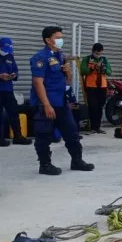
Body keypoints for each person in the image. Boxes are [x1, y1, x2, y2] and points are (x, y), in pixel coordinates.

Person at [30, 26, 94, 176]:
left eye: (61, 37)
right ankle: (45, 165)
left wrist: (69, 72)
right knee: (44, 136)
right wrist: (46, 105)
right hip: (46, 103)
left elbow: (67, 81)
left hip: (61, 102)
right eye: (57, 37)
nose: (61, 40)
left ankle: (77, 161)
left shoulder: (60, 55)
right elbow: (38, 83)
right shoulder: (40, 57)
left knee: (71, 132)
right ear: (47, 40)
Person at [0, 37, 32, 147]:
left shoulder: (10, 56)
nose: (6, 51)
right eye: (5, 49)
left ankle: (18, 136)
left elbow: (15, 69)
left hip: (8, 89)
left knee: (14, 112)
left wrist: (14, 75)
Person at [80, 42, 111, 134]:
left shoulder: (104, 59)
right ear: (93, 51)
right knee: (93, 106)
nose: (99, 55)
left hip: (102, 86)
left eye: (100, 53)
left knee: (100, 106)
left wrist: (104, 68)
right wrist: (93, 68)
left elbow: (109, 72)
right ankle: (92, 127)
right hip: (91, 86)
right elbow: (83, 70)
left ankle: (98, 127)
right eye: (97, 53)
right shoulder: (87, 59)